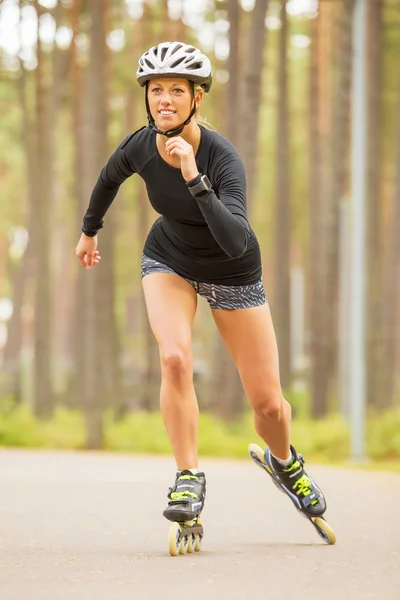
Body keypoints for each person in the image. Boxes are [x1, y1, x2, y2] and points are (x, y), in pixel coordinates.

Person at [76, 41, 327, 527]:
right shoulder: (139, 146)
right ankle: (188, 474)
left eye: (176, 90)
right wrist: (89, 232)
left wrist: (193, 175)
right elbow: (108, 179)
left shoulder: (223, 158)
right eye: (155, 90)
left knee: (269, 404)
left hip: (233, 272)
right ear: (146, 96)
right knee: (174, 359)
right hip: (169, 258)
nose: (163, 99)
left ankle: (285, 462)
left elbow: (235, 240)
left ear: (197, 98)